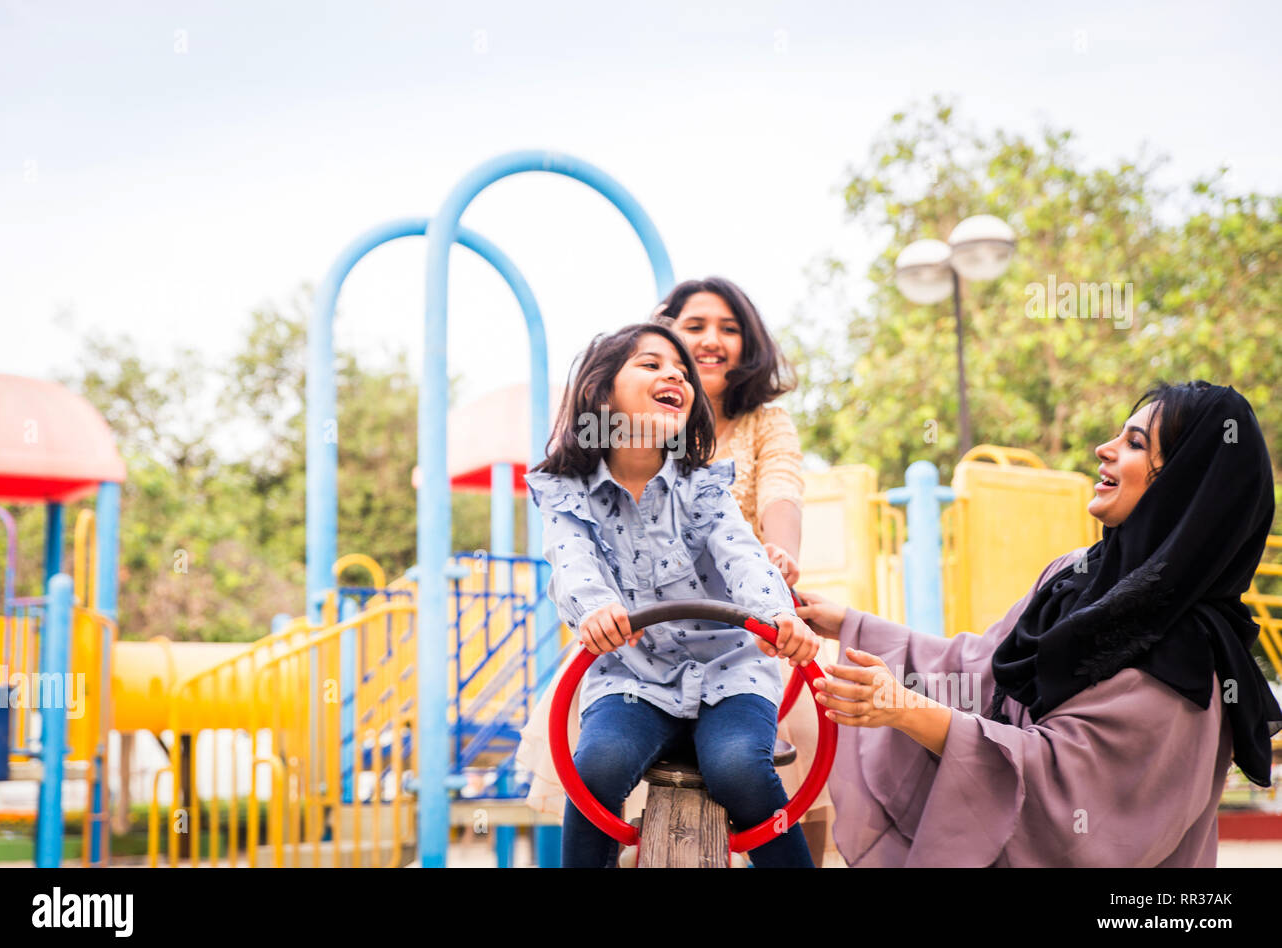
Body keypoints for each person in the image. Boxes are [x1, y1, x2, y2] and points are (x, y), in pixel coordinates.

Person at [797, 380, 1282, 866]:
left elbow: (1069, 797)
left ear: (1186, 486)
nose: (1103, 449)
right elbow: (980, 666)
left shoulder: (1183, 657)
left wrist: (906, 711)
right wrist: (848, 624)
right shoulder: (1075, 576)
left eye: (1135, 444)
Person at [521, 322, 821, 868]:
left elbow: (742, 556)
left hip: (729, 671)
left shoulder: (702, 486)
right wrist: (595, 609)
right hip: (631, 674)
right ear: (601, 390)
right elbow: (571, 564)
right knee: (596, 769)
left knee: (740, 770)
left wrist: (777, 613)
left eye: (681, 372)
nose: (675, 376)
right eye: (652, 365)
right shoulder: (566, 495)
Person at [653, 277, 836, 861]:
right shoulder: (650, 418)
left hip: (749, 613)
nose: (712, 340)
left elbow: (782, 489)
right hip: (661, 621)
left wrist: (781, 556)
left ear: (747, 343)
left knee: (803, 729)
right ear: (666, 333)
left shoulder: (765, 423)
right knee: (594, 733)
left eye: (729, 329)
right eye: (695, 326)